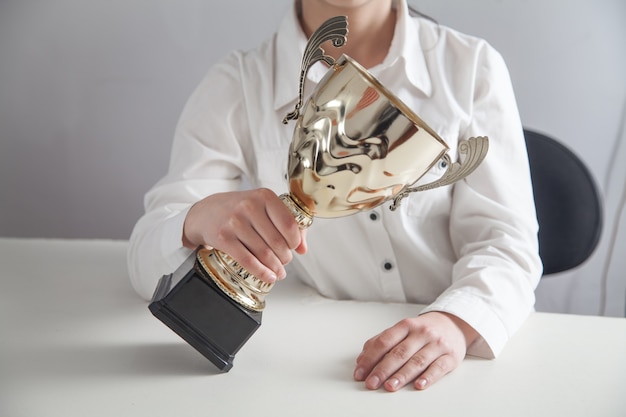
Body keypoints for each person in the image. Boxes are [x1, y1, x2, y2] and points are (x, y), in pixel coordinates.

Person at [128, 0, 542, 392]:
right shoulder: (239, 82)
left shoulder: (471, 67)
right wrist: (195, 219)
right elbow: (146, 260)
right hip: (315, 370)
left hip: (463, 373)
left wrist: (457, 320)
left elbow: (508, 243)